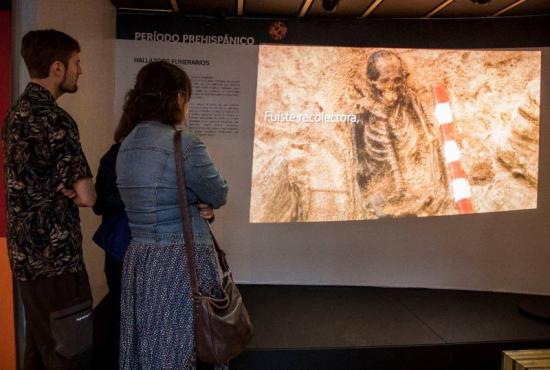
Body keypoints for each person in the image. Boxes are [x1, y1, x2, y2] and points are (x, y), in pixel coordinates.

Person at [116, 61, 228, 369]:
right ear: (179, 98)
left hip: (140, 258)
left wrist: (194, 202)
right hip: (181, 260)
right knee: (184, 343)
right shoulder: (183, 143)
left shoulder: (126, 144)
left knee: (150, 341)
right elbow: (218, 192)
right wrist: (202, 202)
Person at [2, 29, 96, 370]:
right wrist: (77, 189)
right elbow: (86, 195)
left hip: (24, 257)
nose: (79, 71)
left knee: (40, 349)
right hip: (57, 261)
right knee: (69, 352)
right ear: (58, 68)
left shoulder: (15, 115)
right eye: (76, 63)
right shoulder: (56, 119)